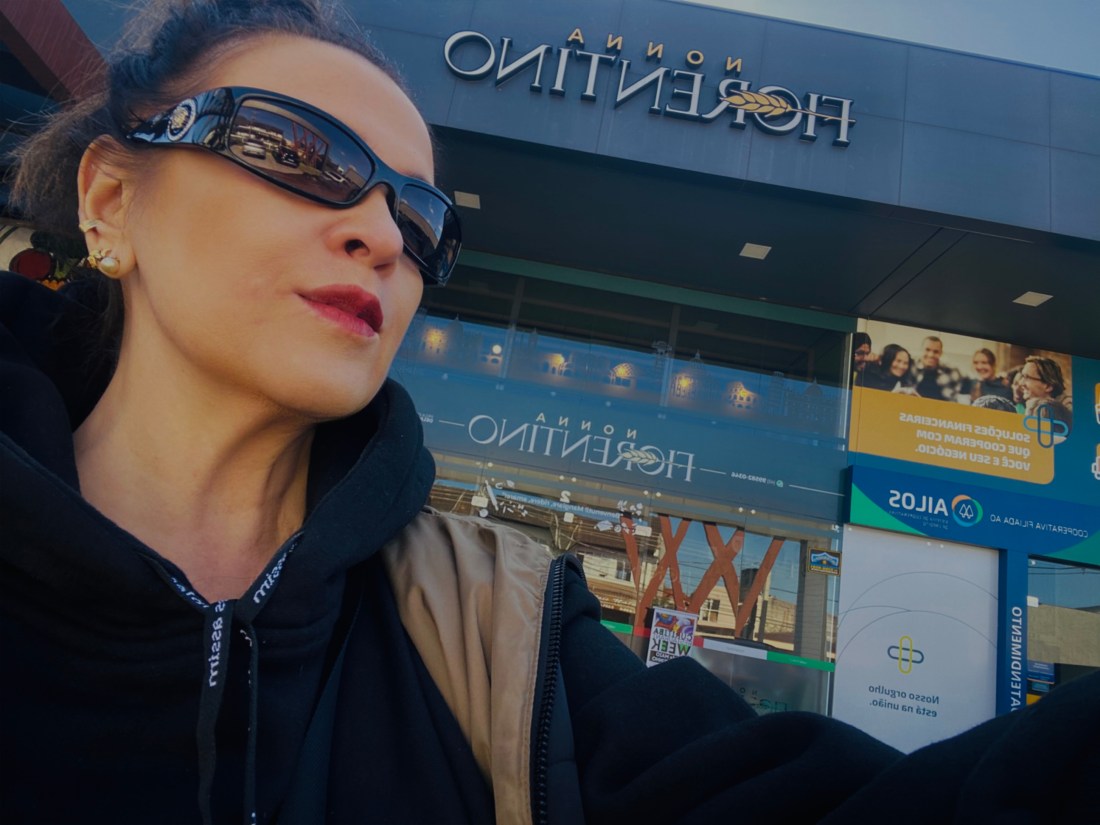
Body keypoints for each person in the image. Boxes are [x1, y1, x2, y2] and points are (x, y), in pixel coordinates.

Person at [2, 2, 1097, 823]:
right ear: (112, 200)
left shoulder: (503, 625)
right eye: (302, 153)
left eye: (418, 219)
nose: (381, 237)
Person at [1019, 355, 1073, 434]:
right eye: (1022, 376)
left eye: (1027, 377)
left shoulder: (1068, 410)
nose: (1021, 383)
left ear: (1048, 386)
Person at [911, 335, 961, 401]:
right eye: (927, 350)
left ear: (941, 353)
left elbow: (954, 400)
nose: (931, 355)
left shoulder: (951, 372)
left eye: (936, 352)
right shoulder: (910, 366)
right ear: (921, 350)